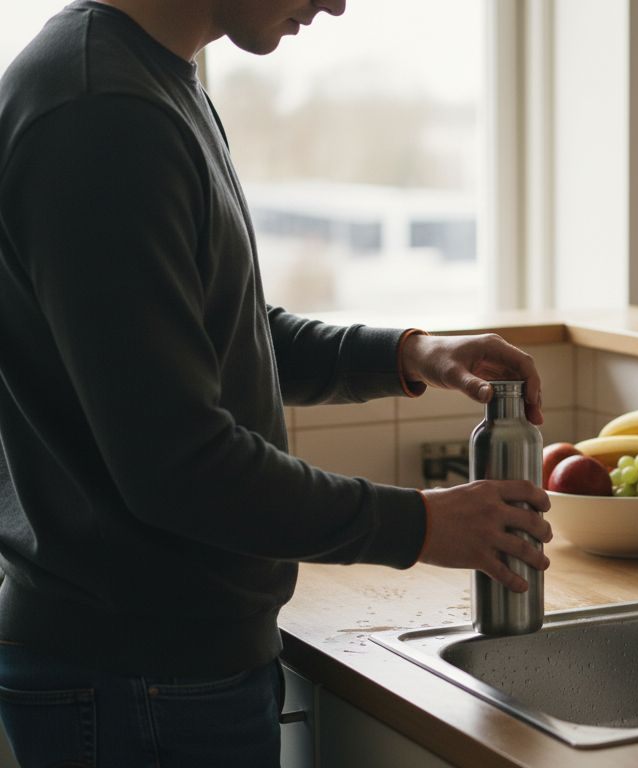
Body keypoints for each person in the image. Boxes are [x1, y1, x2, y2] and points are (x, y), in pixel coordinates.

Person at [0, 1, 552, 765]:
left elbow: (216, 335)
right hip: (139, 680)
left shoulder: (146, 81)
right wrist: (420, 525)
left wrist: (406, 354)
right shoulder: (103, 114)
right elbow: (180, 468)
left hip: (161, 669)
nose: (337, 1)